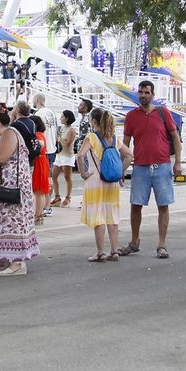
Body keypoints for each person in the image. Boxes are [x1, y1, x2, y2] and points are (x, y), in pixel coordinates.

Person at [0, 107, 40, 276]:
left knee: (12, 224)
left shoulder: (10, 134)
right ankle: (4, 259)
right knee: (3, 224)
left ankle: (17, 263)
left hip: (11, 190)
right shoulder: (7, 134)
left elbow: (1, 158)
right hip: (4, 190)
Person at [120, 79, 180, 259]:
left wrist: (178, 161)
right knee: (136, 205)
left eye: (146, 92)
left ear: (153, 95)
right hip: (140, 167)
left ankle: (162, 245)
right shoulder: (131, 116)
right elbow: (125, 143)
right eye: (141, 92)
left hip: (162, 165)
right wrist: (121, 168)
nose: (143, 95)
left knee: (163, 205)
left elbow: (175, 137)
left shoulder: (163, 112)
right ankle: (134, 241)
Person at [78, 107, 123, 261]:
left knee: (98, 216)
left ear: (94, 121)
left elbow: (80, 155)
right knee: (112, 215)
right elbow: (129, 154)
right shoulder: (114, 138)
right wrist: (120, 172)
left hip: (95, 179)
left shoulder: (91, 137)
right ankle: (115, 251)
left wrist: (83, 173)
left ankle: (101, 252)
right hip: (112, 181)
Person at [52, 109, 78, 207]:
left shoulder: (72, 130)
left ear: (67, 118)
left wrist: (60, 139)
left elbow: (68, 143)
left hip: (67, 156)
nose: (61, 118)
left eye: (62, 117)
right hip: (59, 155)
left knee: (67, 177)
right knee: (54, 175)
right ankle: (57, 196)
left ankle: (68, 197)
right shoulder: (62, 128)